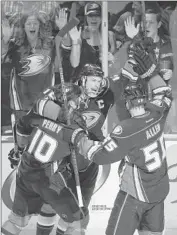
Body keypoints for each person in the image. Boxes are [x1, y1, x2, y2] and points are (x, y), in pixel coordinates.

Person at [74, 81, 172, 235]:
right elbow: (165, 94)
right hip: (159, 191)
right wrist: (150, 74)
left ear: (127, 104)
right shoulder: (157, 112)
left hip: (135, 196)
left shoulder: (127, 129)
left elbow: (99, 156)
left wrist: (78, 137)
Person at [30, 63, 115, 235]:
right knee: (50, 205)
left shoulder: (107, 96)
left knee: (77, 212)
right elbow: (39, 104)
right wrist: (60, 112)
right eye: (93, 80)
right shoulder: (66, 93)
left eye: (99, 81)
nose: (97, 85)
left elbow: (126, 82)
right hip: (64, 159)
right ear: (82, 79)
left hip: (89, 163)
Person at [1, 83, 89, 235]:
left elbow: (21, 126)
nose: (79, 102)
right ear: (69, 101)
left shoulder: (38, 114)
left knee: (16, 221)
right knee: (78, 222)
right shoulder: (75, 123)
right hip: (49, 179)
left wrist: (19, 149)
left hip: (25, 173)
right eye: (76, 99)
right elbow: (81, 161)